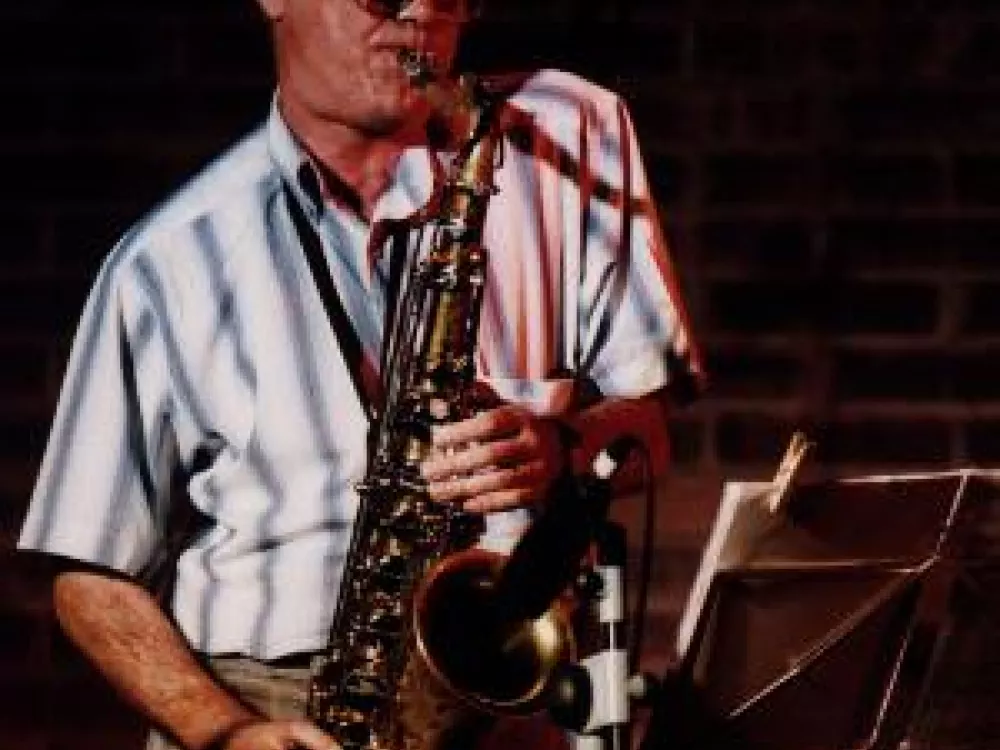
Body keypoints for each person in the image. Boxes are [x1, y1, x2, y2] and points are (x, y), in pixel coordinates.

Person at [18, 0, 705, 748]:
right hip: (268, 704)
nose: (420, 13)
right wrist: (224, 730)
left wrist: (560, 449)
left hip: (506, 690)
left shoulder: (567, 134)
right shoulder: (166, 263)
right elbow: (88, 575)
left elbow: (648, 435)